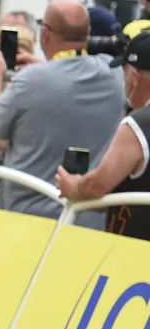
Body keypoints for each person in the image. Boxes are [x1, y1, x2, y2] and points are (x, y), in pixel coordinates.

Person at [0, 0, 124, 225]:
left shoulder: (32, 80)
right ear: (87, 32)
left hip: (30, 218)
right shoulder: (114, 73)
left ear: (45, 34)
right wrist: (45, 67)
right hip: (90, 221)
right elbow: (70, 77)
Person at [57, 33, 150, 240]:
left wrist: (73, 186)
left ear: (134, 78)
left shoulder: (139, 124)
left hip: (134, 251)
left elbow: (98, 184)